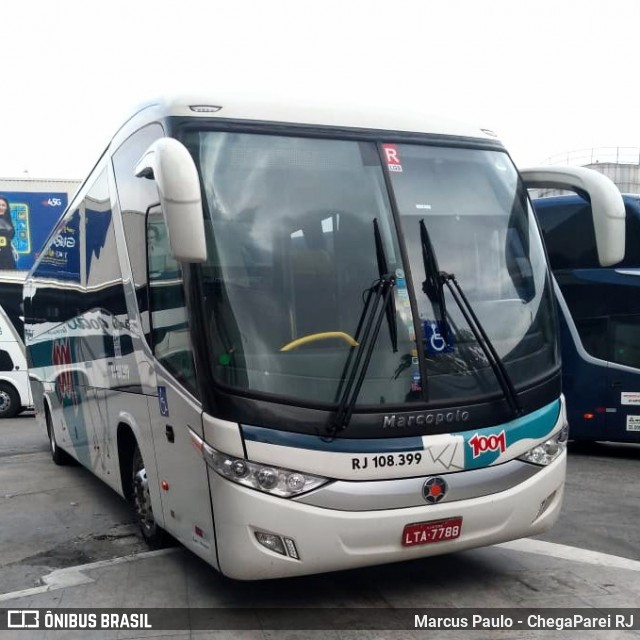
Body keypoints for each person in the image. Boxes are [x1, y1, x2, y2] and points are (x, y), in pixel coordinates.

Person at [0, 196, 16, 270]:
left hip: (7, 255)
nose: (1, 207)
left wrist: (13, 250)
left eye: (3, 205)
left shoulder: (8, 221)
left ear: (6, 207)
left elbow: (8, 238)